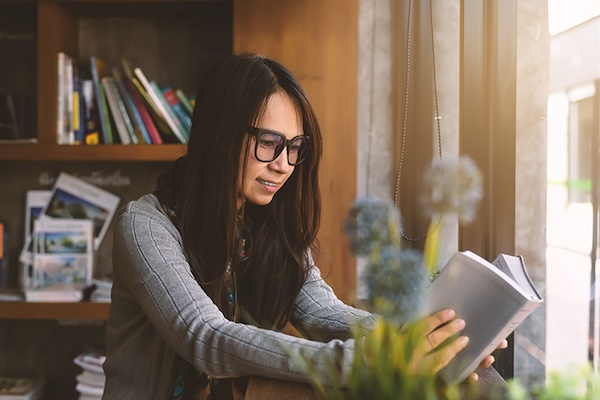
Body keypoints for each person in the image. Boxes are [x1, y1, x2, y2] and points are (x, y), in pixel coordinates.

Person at [102, 53, 506, 399]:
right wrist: (369, 360)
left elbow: (322, 312)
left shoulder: (266, 223)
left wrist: (417, 338)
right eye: (268, 142)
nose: (283, 164)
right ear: (220, 136)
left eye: (295, 147)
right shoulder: (145, 226)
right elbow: (208, 338)